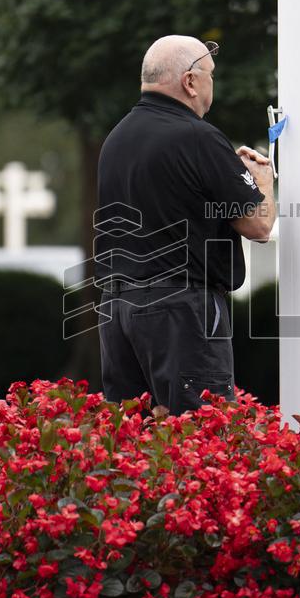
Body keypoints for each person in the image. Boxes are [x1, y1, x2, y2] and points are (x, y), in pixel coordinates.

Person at [95, 35, 277, 415]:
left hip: (116, 308)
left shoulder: (116, 139)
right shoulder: (198, 137)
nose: (213, 84)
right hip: (181, 309)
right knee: (201, 432)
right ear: (190, 82)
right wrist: (262, 181)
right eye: (211, 75)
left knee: (133, 437)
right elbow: (259, 226)